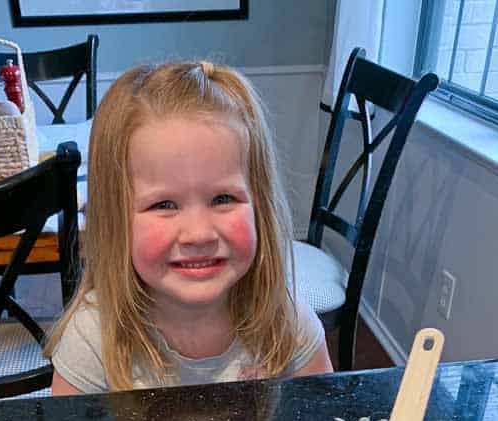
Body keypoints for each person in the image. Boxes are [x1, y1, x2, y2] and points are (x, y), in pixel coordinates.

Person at [45, 60, 333, 395]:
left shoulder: (289, 326)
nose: (199, 234)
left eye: (223, 198)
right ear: (116, 223)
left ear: (260, 207)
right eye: (164, 205)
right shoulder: (92, 340)